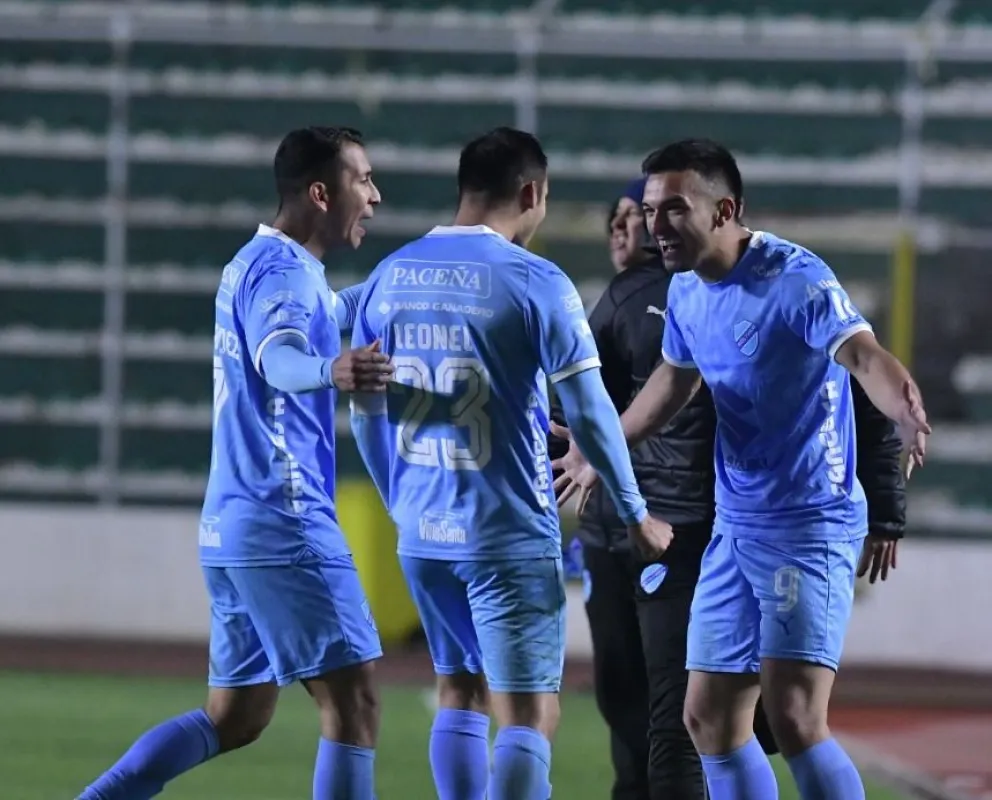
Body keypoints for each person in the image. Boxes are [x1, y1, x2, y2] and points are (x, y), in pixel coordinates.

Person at [553, 138, 928, 800]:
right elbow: (672, 382)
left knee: (794, 716)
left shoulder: (796, 279)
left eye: (673, 209)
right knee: (709, 720)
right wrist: (598, 445)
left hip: (807, 525)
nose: (653, 226)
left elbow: (865, 356)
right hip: (737, 526)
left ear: (724, 210)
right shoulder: (688, 293)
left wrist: (902, 404)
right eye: (648, 210)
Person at [348, 126, 672, 800]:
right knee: (529, 715)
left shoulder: (388, 276)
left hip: (425, 534)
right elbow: (589, 415)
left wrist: (401, 502)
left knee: (458, 690)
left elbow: (365, 409)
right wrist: (636, 514)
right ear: (531, 192)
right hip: (507, 536)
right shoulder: (536, 282)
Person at [77, 126, 394, 800]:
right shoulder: (281, 275)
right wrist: (330, 370)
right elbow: (277, 359)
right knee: (355, 702)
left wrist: (406, 277)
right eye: (362, 180)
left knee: (237, 716)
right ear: (319, 191)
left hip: (232, 525)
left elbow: (324, 312)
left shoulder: (259, 264)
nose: (374, 195)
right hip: (285, 520)